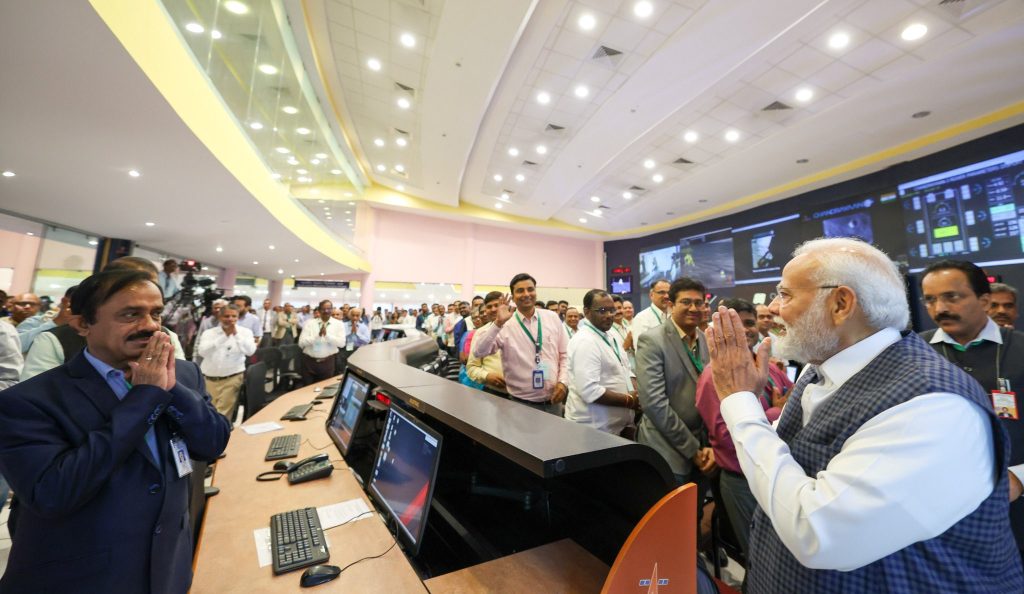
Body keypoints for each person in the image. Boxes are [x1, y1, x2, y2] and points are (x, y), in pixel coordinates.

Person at [705, 238, 1023, 592]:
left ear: (841, 303)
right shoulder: (823, 368)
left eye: (786, 294)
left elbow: (818, 534)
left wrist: (739, 400)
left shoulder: (933, 406)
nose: (775, 308)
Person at [0, 268, 231, 593]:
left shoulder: (184, 375)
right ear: (82, 324)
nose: (150, 325)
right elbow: (54, 494)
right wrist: (146, 397)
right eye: (130, 314)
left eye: (156, 313)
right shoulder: (27, 402)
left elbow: (212, 443)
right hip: (81, 578)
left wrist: (170, 388)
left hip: (167, 570)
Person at [919, 260, 1024, 560]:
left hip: (1013, 514)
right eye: (930, 299)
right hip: (940, 521)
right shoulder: (914, 352)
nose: (940, 308)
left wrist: (1018, 479)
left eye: (952, 297)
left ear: (984, 300)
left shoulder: (1019, 349)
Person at [695, 297, 791, 560]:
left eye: (749, 323)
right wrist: (775, 411)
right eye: (736, 324)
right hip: (742, 479)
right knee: (761, 558)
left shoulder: (769, 368)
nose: (745, 330)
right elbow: (727, 438)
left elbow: (797, 405)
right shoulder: (714, 375)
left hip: (779, 473)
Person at [635, 277, 714, 487]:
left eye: (699, 303)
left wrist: (707, 447)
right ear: (670, 304)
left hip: (703, 448)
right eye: (686, 302)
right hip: (666, 449)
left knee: (694, 516)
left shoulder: (704, 340)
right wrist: (692, 450)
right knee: (669, 518)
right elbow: (654, 404)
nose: (694, 308)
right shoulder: (652, 340)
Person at [473, 275, 568, 415]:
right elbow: (479, 352)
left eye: (530, 289)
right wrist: (498, 323)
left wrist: (563, 382)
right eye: (520, 291)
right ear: (512, 296)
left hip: (554, 401)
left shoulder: (551, 317)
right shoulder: (504, 323)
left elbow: (565, 355)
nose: (526, 294)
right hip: (520, 405)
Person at [564, 289, 639, 435]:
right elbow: (590, 391)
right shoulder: (585, 341)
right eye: (602, 310)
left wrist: (636, 393)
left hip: (616, 426)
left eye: (612, 310)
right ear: (587, 312)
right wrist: (629, 401)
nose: (609, 315)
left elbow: (626, 369)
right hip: (593, 429)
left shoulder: (611, 334)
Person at [196, 304, 255, 417]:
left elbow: (250, 351)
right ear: (220, 317)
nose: (230, 319)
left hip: (232, 378)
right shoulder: (210, 333)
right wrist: (224, 337)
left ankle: (221, 434)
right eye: (226, 316)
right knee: (209, 410)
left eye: (234, 316)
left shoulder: (245, 333)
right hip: (209, 378)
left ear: (238, 317)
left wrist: (236, 335)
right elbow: (202, 352)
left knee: (223, 414)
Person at [623, 279, 671, 369]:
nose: (666, 296)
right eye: (662, 292)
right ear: (651, 295)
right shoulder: (642, 318)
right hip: (654, 370)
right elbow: (641, 352)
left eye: (669, 292)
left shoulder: (673, 316)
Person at [466, 292, 506, 397]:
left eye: (497, 305)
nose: (493, 309)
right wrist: (486, 376)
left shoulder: (518, 328)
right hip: (494, 392)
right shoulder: (480, 333)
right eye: (489, 307)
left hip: (524, 394)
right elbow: (471, 367)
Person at [297, 300, 345, 385]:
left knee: (323, 390)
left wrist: (327, 336)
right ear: (319, 310)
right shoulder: (310, 323)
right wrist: (317, 337)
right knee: (306, 390)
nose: (326, 311)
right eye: (323, 309)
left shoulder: (338, 324)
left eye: (329, 309)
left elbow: (342, 343)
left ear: (332, 309)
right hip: (309, 362)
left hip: (327, 363)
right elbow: (301, 343)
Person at [16, 286, 74, 353]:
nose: (27, 307)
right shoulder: (37, 321)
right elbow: (14, 346)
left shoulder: (86, 326)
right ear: (64, 302)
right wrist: (55, 323)